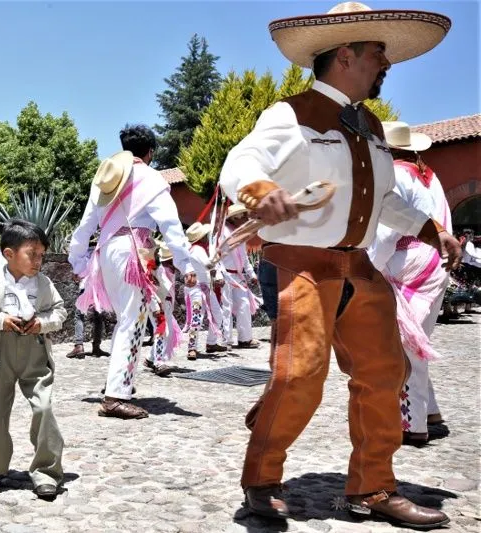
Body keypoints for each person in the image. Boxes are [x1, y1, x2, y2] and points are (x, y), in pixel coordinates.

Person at [219, 3, 460, 528]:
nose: (385, 63)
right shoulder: (291, 113)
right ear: (346, 54)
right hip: (300, 265)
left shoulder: (372, 124)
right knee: (301, 374)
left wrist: (430, 229)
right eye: (377, 52)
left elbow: (385, 200)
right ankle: (260, 478)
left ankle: (372, 488)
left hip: (358, 268)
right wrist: (259, 190)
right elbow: (242, 160)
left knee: (386, 372)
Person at [68, 124, 202, 419]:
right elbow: (170, 225)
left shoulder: (107, 178)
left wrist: (78, 259)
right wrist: (186, 264)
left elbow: (86, 222)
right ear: (150, 152)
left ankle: (117, 383)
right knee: (134, 321)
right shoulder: (151, 179)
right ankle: (115, 396)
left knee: (124, 320)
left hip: (106, 252)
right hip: (133, 254)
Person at [0, 219, 67, 500]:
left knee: (43, 408)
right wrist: (0, 320)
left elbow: (60, 312)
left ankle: (47, 472)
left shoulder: (43, 284)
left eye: (41, 254)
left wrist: (43, 323)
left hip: (34, 350)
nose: (39, 261)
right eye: (33, 254)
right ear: (9, 254)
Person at [368, 121, 452, 446]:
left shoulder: (397, 176)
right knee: (418, 339)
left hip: (411, 265)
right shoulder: (428, 175)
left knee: (404, 347)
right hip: (435, 263)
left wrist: (368, 266)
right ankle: (428, 410)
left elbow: (389, 232)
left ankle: (412, 424)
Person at [218, 205, 261, 349]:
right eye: (243, 216)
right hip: (225, 275)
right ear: (235, 218)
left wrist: (251, 273)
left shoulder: (240, 233)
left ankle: (245, 339)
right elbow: (217, 255)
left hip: (238, 276)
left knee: (245, 305)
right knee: (226, 308)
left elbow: (244, 257)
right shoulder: (222, 233)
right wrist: (220, 274)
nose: (246, 218)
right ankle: (226, 340)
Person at [183, 222, 227, 359]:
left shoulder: (194, 249)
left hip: (203, 288)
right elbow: (208, 265)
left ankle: (210, 343)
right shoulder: (198, 250)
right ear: (201, 237)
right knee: (199, 317)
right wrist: (217, 274)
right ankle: (193, 348)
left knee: (214, 314)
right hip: (198, 289)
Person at [66, 237, 110, 359]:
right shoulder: (103, 253)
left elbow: (77, 274)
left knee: (79, 315)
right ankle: (96, 346)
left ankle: (79, 346)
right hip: (100, 288)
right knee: (98, 316)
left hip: (85, 286)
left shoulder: (83, 254)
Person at [143, 242, 182, 376]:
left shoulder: (166, 268)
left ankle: (150, 358)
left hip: (165, 304)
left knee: (167, 331)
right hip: (157, 304)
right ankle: (159, 362)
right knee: (161, 330)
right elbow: (150, 290)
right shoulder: (152, 270)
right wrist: (155, 307)